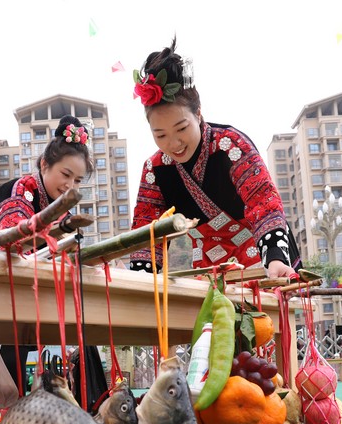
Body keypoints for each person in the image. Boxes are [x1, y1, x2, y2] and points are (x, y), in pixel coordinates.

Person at [128, 38, 299, 279]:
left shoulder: (231, 145)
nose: (173, 143)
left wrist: (275, 258)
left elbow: (263, 202)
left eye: (181, 128)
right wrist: (142, 280)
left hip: (265, 257)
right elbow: (148, 233)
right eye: (161, 135)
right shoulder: (154, 170)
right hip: (208, 266)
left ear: (198, 114)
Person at [0, 115, 94, 394]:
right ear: (44, 164)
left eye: (77, 180)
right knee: (19, 344)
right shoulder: (19, 192)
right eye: (65, 175)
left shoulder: (63, 210)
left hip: (26, 279)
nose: (70, 186)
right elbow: (15, 242)